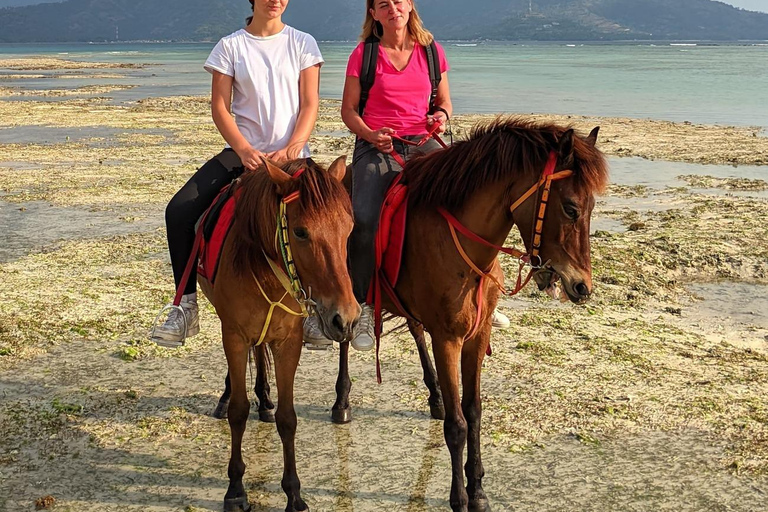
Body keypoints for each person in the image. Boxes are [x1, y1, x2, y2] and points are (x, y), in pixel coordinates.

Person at [301, 0, 509, 352]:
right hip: (376, 147)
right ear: (374, 14)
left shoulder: (432, 52)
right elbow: (348, 111)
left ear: (410, 6)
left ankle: (484, 292)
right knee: (363, 220)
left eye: (398, 1)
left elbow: (444, 102)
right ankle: (366, 306)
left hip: (425, 143)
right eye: (383, 4)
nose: (392, 8)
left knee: (470, 203)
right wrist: (369, 135)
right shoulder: (364, 55)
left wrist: (440, 117)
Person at [151, 0, 324, 347]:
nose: (275, 0)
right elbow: (220, 107)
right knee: (179, 210)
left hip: (293, 157)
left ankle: (316, 311)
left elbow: (310, 103)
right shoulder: (230, 46)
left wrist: (293, 147)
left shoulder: (303, 42)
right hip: (241, 156)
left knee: (334, 220)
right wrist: (245, 151)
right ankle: (184, 305)